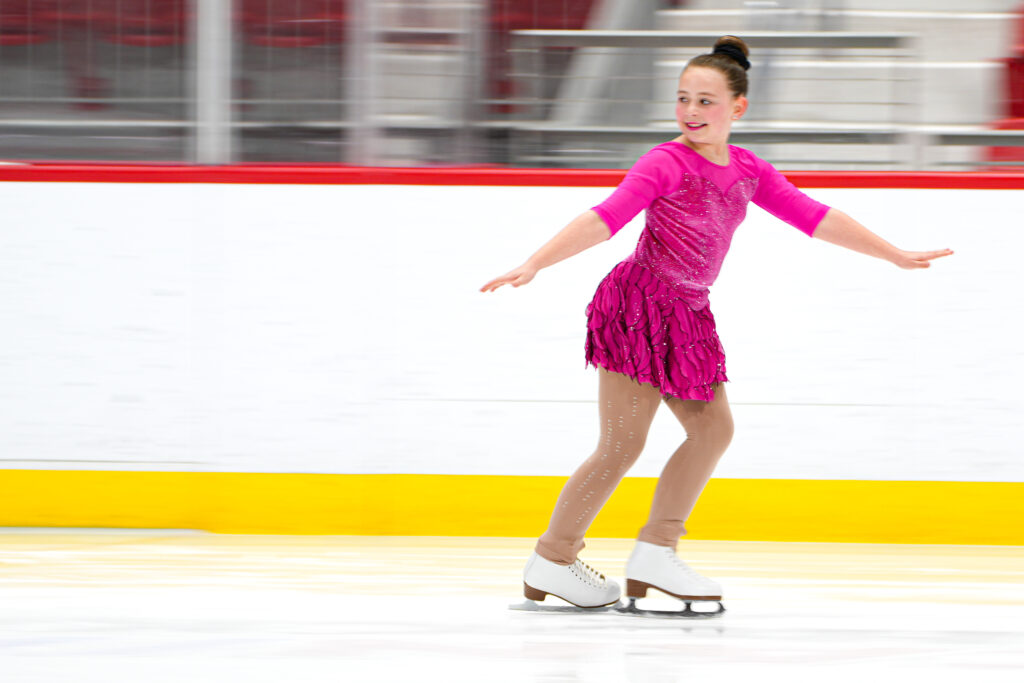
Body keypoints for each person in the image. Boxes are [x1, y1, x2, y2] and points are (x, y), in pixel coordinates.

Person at [479, 35, 954, 610]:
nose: (690, 112)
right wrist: (534, 263)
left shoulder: (749, 170)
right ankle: (554, 559)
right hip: (639, 305)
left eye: (706, 101)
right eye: (683, 99)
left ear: (738, 107)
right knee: (622, 444)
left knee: (712, 429)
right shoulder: (666, 161)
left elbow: (815, 216)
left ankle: (656, 552)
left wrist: (894, 253)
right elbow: (606, 216)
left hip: (689, 312)